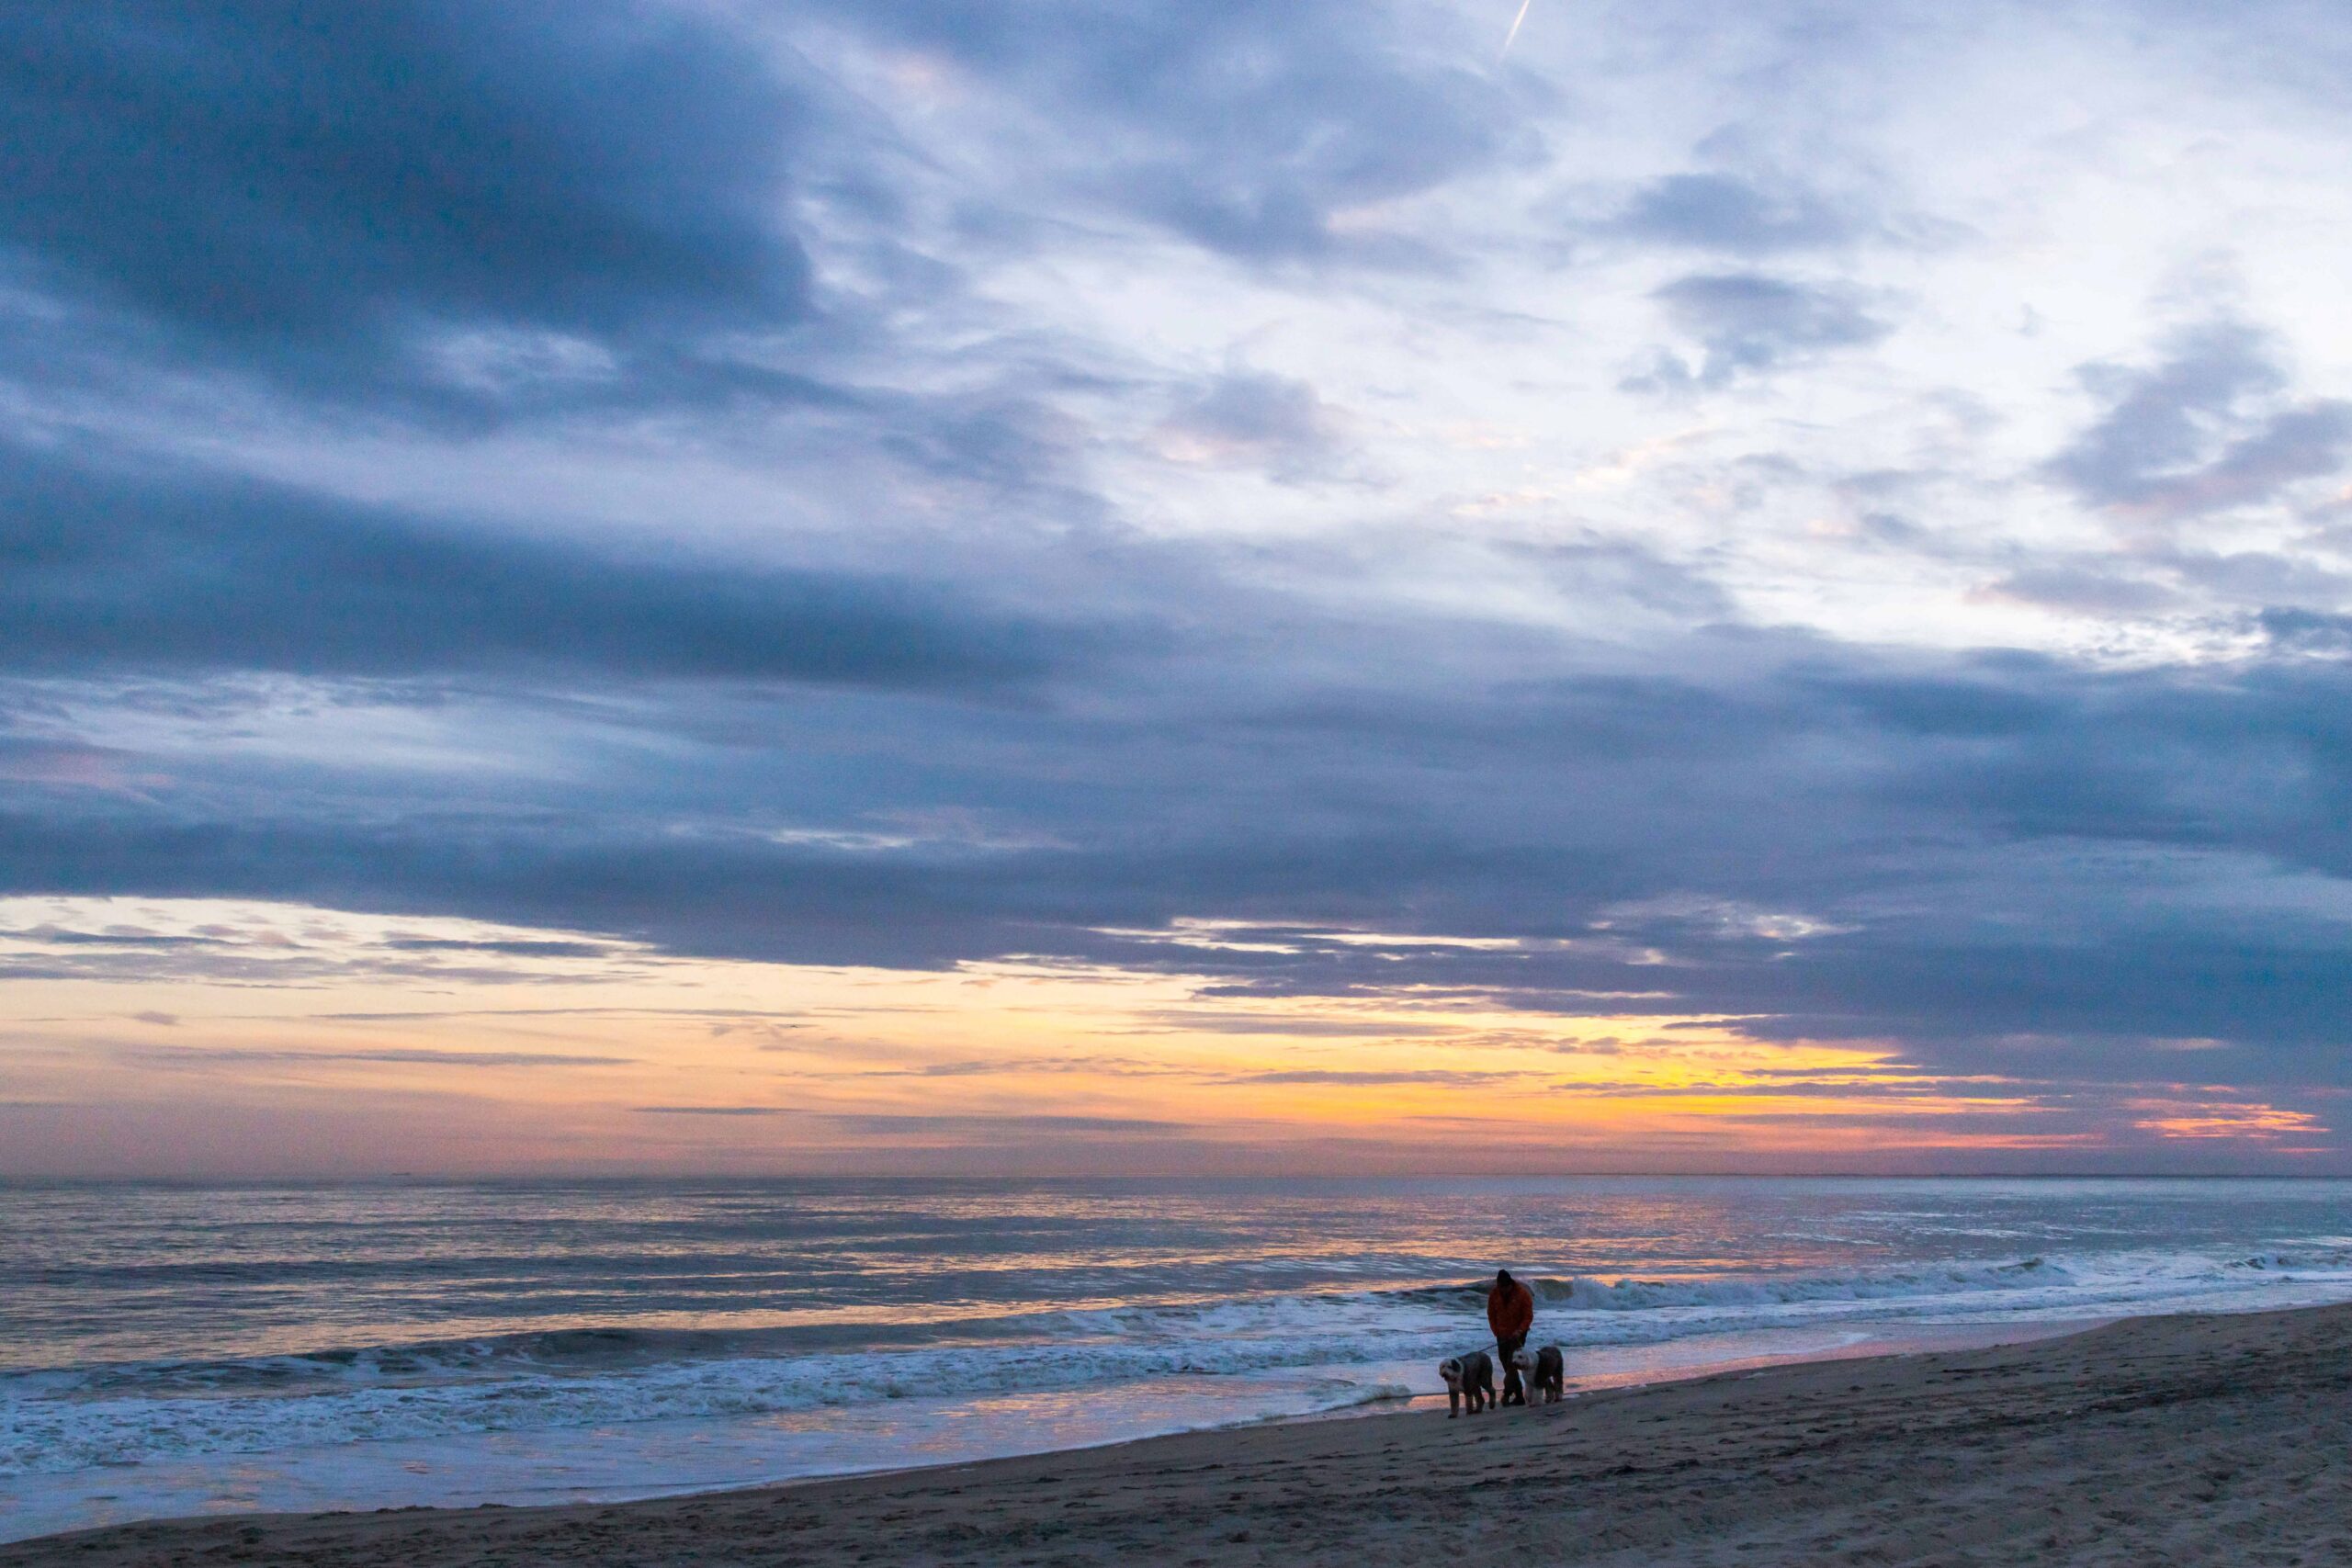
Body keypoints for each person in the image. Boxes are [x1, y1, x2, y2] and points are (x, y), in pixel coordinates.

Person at [1487, 1268, 1534, 1405]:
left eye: (1504, 1288)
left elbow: (1528, 1316)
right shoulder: (1494, 1294)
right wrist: (1495, 1331)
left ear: (1510, 1284)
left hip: (1518, 1335)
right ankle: (1519, 1395)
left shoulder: (1523, 1294)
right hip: (1501, 1335)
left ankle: (1507, 1393)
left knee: (1511, 1364)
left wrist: (1519, 1331)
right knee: (1506, 1365)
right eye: (1500, 1287)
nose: (1502, 1290)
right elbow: (1491, 1314)